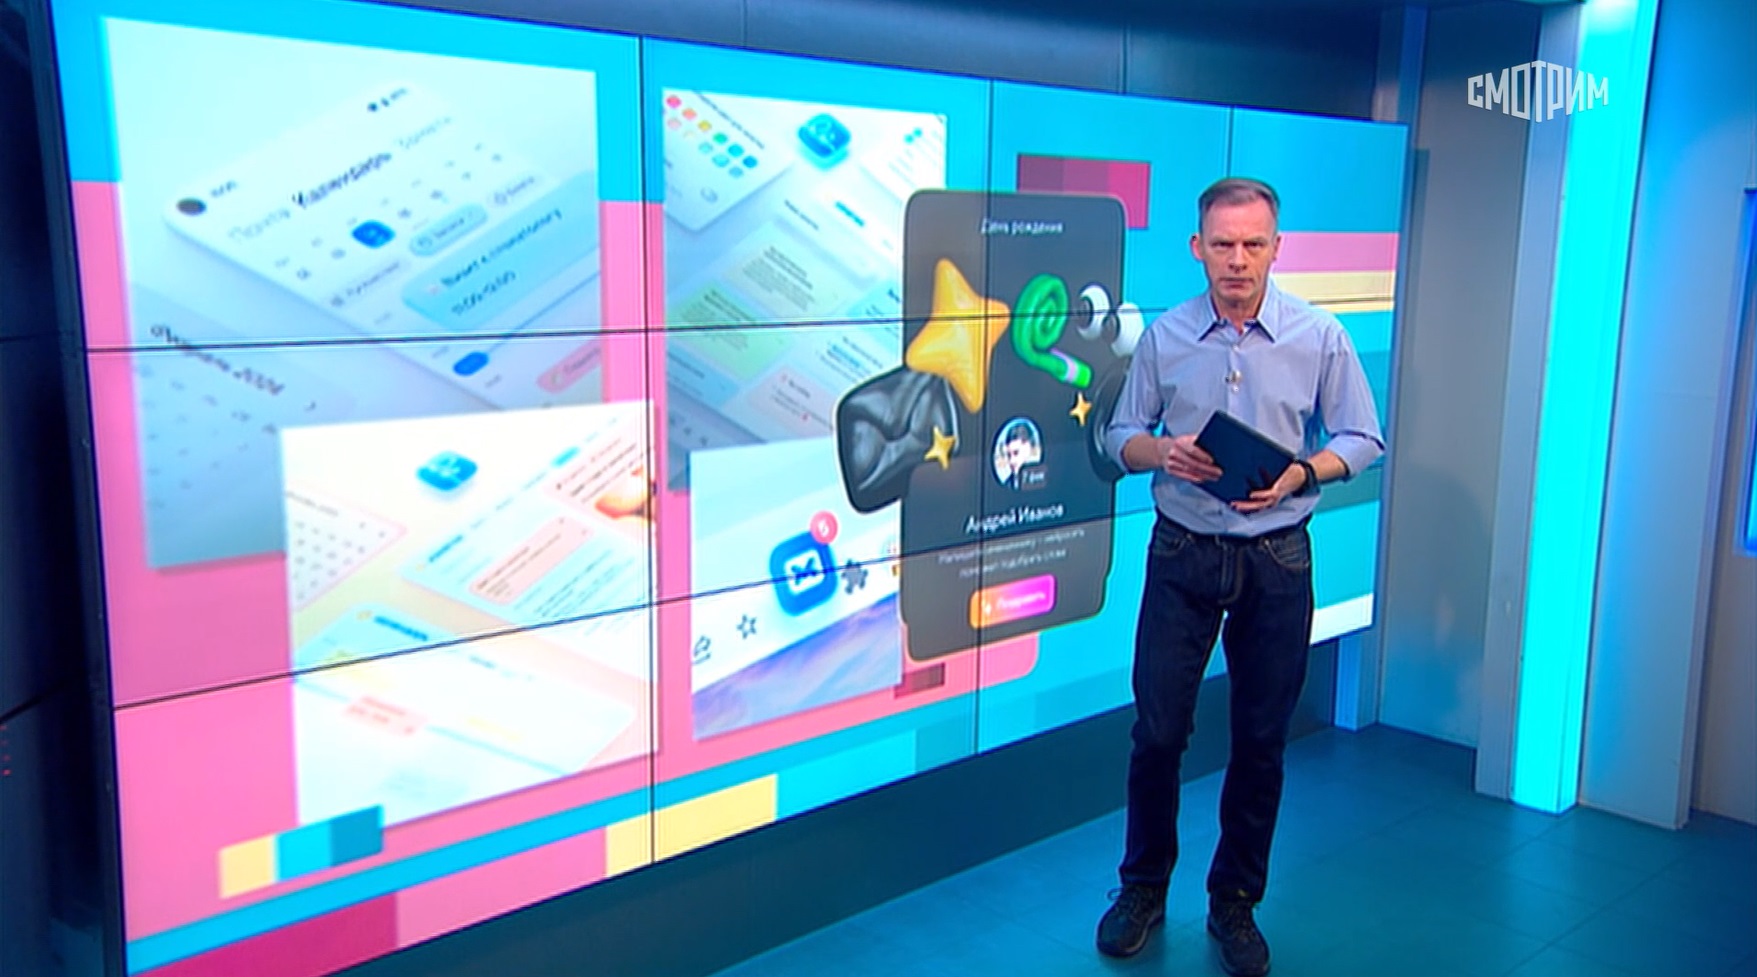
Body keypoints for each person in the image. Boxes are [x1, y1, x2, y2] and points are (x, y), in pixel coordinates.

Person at [1095, 177, 1385, 975]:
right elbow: (1121, 433)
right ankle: (1142, 889)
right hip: (1181, 552)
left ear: (1275, 249)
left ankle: (1234, 901)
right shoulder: (1165, 336)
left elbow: (1362, 437)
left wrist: (1302, 471)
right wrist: (1161, 451)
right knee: (1157, 732)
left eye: (1252, 244)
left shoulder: (1318, 336)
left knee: (1260, 739)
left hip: (1276, 559)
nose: (1236, 259)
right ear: (1197, 248)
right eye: (1221, 244)